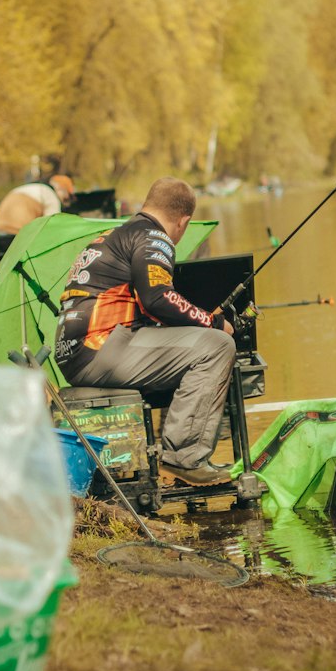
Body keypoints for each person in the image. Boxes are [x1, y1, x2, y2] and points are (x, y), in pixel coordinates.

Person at [53, 177, 236, 487]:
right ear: (184, 221)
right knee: (217, 346)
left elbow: (141, 306)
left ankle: (172, 453)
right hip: (102, 348)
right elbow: (158, 298)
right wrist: (214, 322)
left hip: (76, 352)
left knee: (196, 347)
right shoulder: (155, 238)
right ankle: (184, 460)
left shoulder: (114, 236)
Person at [0, 173, 75, 269]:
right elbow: (52, 226)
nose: (65, 201)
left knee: (1, 270)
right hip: (17, 233)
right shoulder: (50, 194)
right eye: (67, 197)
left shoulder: (27, 188)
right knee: (26, 270)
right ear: (61, 189)